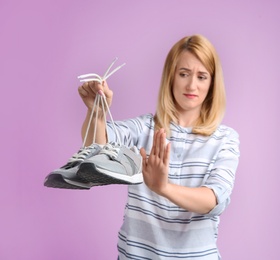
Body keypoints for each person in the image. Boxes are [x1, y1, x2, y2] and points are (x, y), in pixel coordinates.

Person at [78, 34, 240, 259]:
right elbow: (97, 146)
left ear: (212, 84)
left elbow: (214, 200)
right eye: (183, 74)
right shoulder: (143, 128)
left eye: (202, 77)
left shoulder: (225, 139)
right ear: (171, 77)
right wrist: (97, 112)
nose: (191, 85)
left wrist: (162, 187)